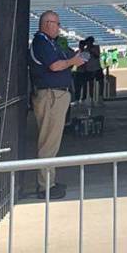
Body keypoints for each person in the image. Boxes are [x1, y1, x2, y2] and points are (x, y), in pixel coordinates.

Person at [29, 10, 86, 199]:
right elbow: (54, 65)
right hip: (50, 96)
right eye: (57, 24)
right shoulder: (41, 42)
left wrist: (73, 58)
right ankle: (45, 186)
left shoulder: (51, 43)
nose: (59, 27)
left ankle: (49, 181)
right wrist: (73, 61)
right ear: (47, 24)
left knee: (52, 142)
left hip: (57, 95)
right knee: (48, 142)